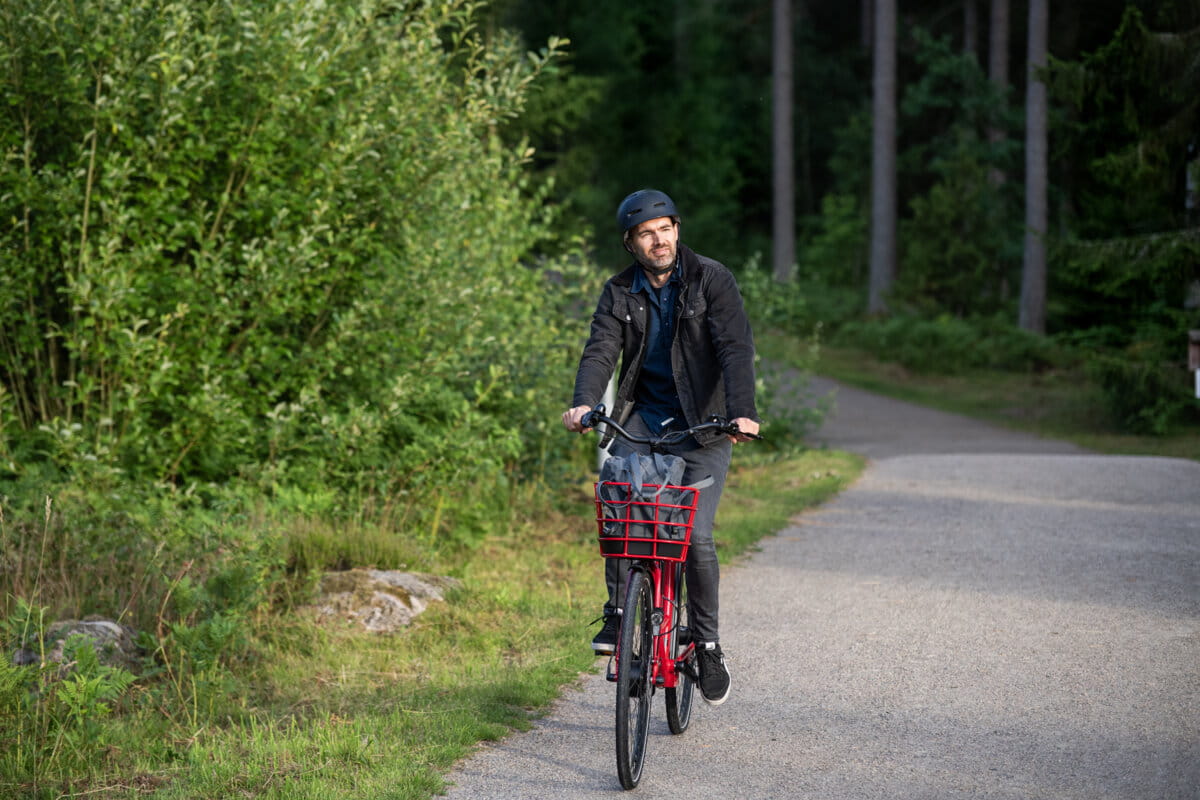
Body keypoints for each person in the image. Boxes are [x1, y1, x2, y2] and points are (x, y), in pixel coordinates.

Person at [562, 189, 760, 706]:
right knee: (620, 508)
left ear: (677, 230)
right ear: (631, 244)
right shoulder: (618, 291)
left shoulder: (712, 279)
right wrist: (583, 403)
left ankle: (707, 644)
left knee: (693, 534)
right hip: (644, 421)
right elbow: (600, 350)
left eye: (665, 229)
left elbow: (734, 348)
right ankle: (619, 612)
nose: (659, 241)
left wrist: (743, 412)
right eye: (646, 234)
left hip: (705, 426)